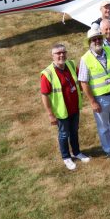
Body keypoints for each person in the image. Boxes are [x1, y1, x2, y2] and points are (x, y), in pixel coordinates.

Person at [78, 26, 110, 159]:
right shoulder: (85, 59)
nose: (98, 41)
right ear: (90, 42)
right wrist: (93, 101)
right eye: (94, 39)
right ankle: (108, 149)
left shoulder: (109, 50)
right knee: (104, 127)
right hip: (101, 99)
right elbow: (84, 82)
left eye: (99, 38)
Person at [40, 43, 89, 171]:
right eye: (58, 53)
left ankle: (76, 152)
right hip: (61, 112)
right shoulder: (48, 73)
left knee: (74, 131)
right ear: (52, 56)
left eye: (63, 52)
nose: (61, 55)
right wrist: (50, 114)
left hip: (74, 108)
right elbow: (44, 95)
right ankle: (66, 157)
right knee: (63, 134)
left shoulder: (71, 65)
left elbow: (81, 79)